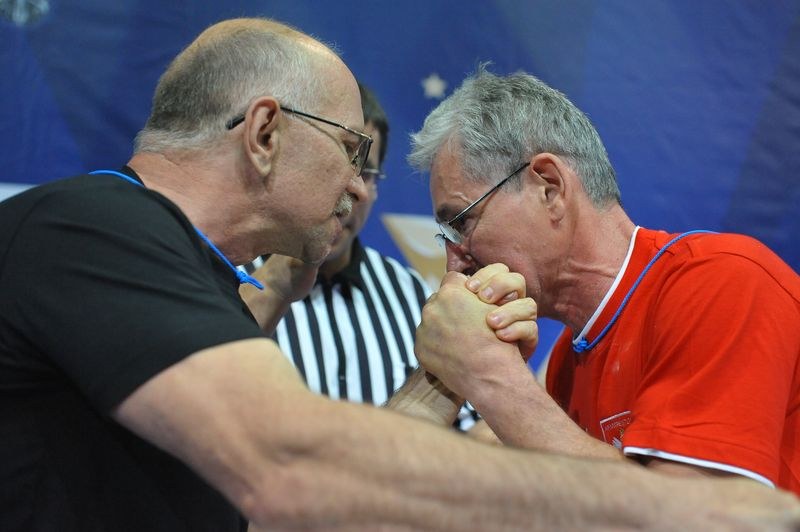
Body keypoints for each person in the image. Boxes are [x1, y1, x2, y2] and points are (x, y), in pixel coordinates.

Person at [0, 17, 798, 532]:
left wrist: (453, 380)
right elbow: (292, 470)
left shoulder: (176, 265)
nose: (359, 185)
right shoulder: (93, 227)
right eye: (352, 149)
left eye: (461, 219)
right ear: (266, 133)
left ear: (551, 187)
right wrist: (698, 512)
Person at [405, 67, 800, 494]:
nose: (454, 262)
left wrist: (488, 374)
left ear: (549, 187)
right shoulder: (565, 362)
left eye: (461, 223)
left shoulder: (722, 282)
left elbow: (695, 513)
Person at [240, 82, 476, 428]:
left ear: (376, 187)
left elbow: (467, 429)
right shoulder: (227, 276)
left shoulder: (410, 293)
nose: (351, 188)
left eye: (365, 171)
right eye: (335, 163)